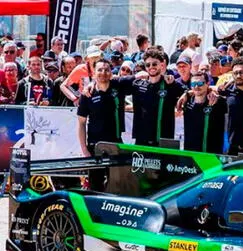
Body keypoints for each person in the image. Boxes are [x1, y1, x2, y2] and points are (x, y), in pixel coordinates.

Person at [116, 48, 184, 146]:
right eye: (148, 65)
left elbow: (191, 92)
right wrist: (135, 76)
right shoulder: (137, 84)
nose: (151, 67)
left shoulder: (170, 84)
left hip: (164, 141)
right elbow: (116, 84)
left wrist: (185, 94)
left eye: (154, 64)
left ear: (162, 64)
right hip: (141, 141)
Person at [77, 59, 126, 190]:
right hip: (95, 147)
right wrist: (84, 150)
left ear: (111, 72)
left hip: (115, 145)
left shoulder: (119, 86)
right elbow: (81, 123)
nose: (103, 73)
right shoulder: (87, 94)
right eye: (99, 70)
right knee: (95, 186)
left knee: (116, 185)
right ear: (93, 72)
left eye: (106, 70)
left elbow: (141, 75)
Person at [180, 72, 226, 153]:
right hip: (190, 155)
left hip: (212, 155)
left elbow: (235, 91)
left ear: (208, 84)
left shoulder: (217, 102)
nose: (196, 86)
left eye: (200, 83)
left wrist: (213, 90)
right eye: (193, 84)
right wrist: (186, 93)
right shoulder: (186, 102)